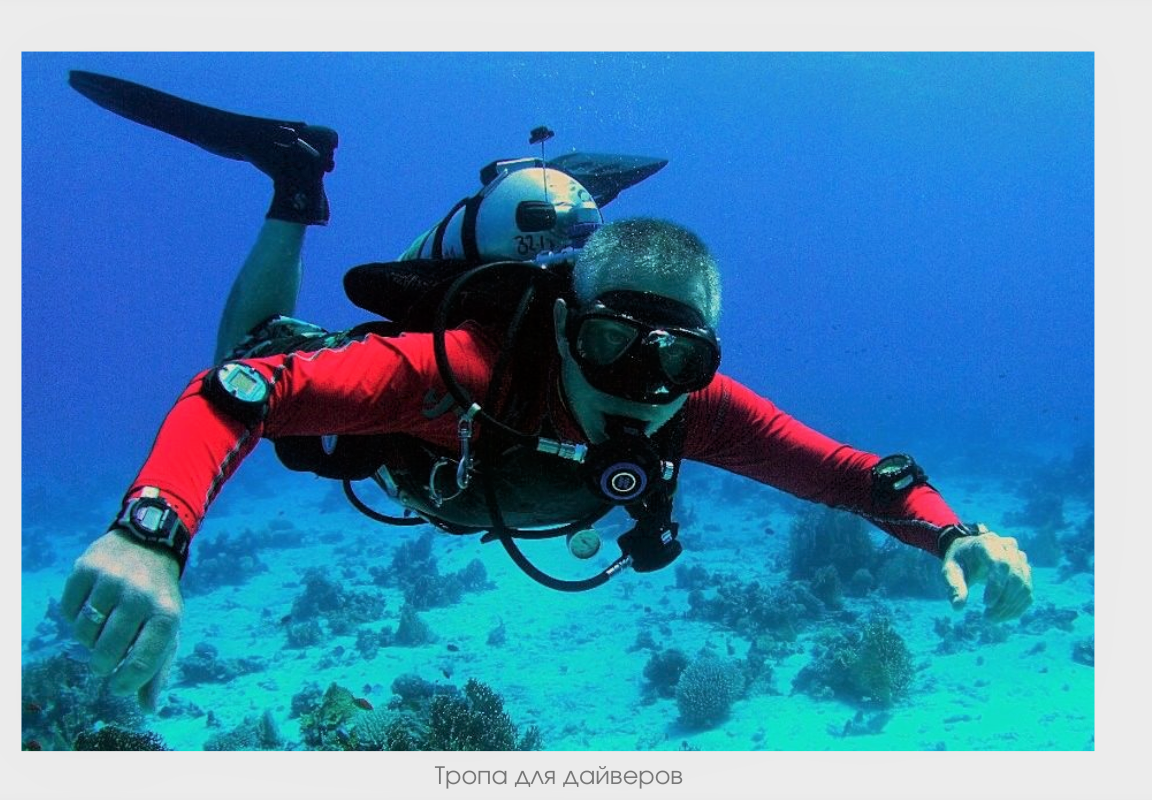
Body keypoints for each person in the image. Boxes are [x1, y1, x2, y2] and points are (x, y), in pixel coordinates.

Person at [59, 72, 1034, 711]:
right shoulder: (454, 369)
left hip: (469, 479)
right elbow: (237, 389)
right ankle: (293, 179)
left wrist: (956, 533)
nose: (643, 393)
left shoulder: (696, 410)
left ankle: (542, 195)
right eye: (612, 344)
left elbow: (858, 477)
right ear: (569, 321)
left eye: (678, 364)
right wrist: (153, 531)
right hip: (415, 444)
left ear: (706, 363)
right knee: (255, 345)